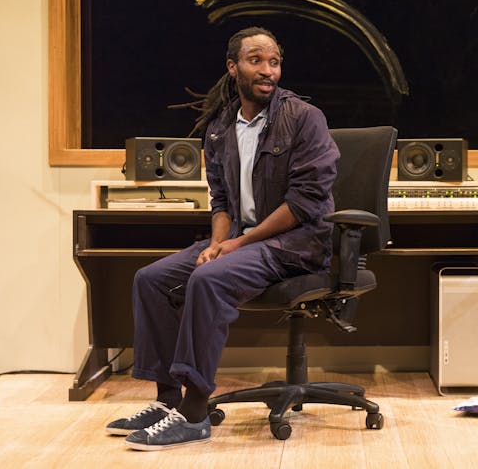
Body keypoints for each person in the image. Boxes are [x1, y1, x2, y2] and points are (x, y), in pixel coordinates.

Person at [105, 27, 340, 451]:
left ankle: (195, 415)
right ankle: (167, 401)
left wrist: (235, 247)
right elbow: (221, 201)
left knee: (208, 280)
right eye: (256, 60)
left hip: (297, 243)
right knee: (151, 279)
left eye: (274, 61)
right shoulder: (219, 128)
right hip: (243, 240)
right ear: (233, 67)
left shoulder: (304, 118)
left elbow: (305, 203)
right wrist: (218, 243)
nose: (267, 70)